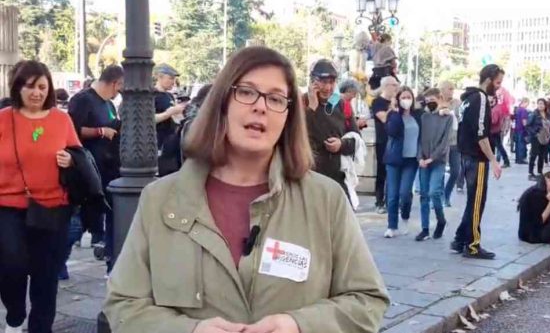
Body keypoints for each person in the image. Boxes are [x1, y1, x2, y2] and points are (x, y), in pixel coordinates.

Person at [104, 46, 389, 333]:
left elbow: (367, 301)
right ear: (222, 103)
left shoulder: (325, 199)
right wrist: (189, 331)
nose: (261, 106)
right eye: (247, 92)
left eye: (276, 98)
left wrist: (299, 325)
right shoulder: (160, 199)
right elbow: (124, 306)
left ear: (289, 117)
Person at [0, 60, 81, 333]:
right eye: (30, 86)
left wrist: (70, 160)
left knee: (46, 279)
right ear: (17, 87)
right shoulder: (3, 118)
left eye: (42, 87)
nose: (36, 93)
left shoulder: (62, 119)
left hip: (53, 207)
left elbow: (80, 157)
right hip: (8, 207)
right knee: (11, 263)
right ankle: (15, 313)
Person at [67, 65, 124, 273]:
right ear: (114, 82)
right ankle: (59, 259)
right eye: (119, 87)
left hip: (109, 166)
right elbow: (73, 130)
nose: (119, 92)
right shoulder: (82, 100)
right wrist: (100, 131)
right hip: (89, 167)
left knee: (110, 212)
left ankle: (109, 250)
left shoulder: (108, 103)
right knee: (81, 219)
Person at [452, 64, 504, 259]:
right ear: (489, 79)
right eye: (498, 82)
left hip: (466, 155)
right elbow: (481, 133)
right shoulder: (480, 98)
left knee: (472, 201)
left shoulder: (467, 100)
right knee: (477, 203)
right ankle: (473, 245)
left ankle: (460, 238)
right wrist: (493, 160)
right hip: (476, 158)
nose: (498, 87)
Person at [304, 59, 359, 201]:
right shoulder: (301, 103)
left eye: (331, 82)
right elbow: (298, 137)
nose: (327, 88)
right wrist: (312, 109)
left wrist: (341, 144)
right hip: (309, 179)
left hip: (338, 180)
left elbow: (356, 141)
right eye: (322, 82)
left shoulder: (342, 105)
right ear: (312, 81)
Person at [383, 86, 421, 238]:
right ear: (398, 99)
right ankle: (392, 226)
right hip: (394, 159)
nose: (406, 100)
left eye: (409, 97)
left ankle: (405, 216)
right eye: (403, 97)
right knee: (392, 194)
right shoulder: (393, 115)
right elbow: (391, 131)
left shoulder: (418, 115)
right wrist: (394, 111)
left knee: (405, 193)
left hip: (411, 160)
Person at [415, 88, 452, 241]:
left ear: (439, 98)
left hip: (438, 162)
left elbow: (445, 142)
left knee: (434, 192)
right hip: (423, 160)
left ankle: (441, 220)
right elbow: (419, 139)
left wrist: (433, 158)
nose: (430, 103)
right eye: (427, 100)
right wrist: (420, 158)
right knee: (423, 195)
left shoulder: (447, 117)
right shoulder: (424, 117)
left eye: (433, 100)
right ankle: (425, 228)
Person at [371, 76, 400, 213]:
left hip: (396, 141)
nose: (396, 88)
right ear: (386, 86)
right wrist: (392, 107)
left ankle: (392, 201)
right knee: (382, 171)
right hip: (383, 141)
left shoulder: (398, 101)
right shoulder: (377, 102)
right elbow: (383, 118)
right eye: (394, 85)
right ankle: (379, 201)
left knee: (395, 172)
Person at [153, 63, 187, 149]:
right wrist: (168, 113)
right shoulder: (151, 95)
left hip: (170, 141)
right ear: (160, 77)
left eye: (174, 79)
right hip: (157, 141)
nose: (173, 82)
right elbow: (148, 119)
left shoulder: (170, 96)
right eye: (171, 78)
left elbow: (177, 118)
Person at [439, 80, 461, 207]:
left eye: (453, 89)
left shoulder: (457, 103)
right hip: (442, 142)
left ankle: (447, 194)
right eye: (450, 89)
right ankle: (440, 197)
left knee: (455, 171)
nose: (452, 91)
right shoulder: (438, 103)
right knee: (440, 171)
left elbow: (461, 119)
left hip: (455, 142)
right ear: (442, 89)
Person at [526, 98, 550, 180]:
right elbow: (528, 125)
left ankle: (540, 172)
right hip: (536, 137)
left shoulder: (547, 114)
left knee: (542, 155)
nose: (540, 105)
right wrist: (535, 133)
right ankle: (531, 172)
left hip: (545, 138)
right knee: (533, 155)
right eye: (539, 103)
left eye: (542, 104)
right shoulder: (534, 114)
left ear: (545, 105)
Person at [490, 95, 510, 168]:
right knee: (498, 146)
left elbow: (494, 121)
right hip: (497, 130)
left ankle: (506, 161)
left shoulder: (495, 109)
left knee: (499, 146)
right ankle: (504, 160)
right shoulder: (498, 108)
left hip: (494, 130)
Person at [513, 98, 530, 164]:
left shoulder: (518, 110)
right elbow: (524, 121)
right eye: (527, 104)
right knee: (521, 144)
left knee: (517, 144)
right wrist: (527, 128)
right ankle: (521, 159)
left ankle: (517, 159)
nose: (527, 105)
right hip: (522, 130)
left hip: (517, 129)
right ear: (525, 102)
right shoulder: (524, 110)